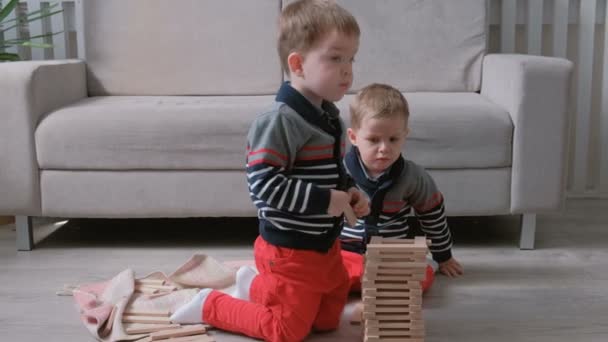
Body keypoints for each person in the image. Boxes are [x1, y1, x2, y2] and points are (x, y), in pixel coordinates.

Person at [171, 1, 368, 341]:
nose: (348, 70)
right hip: (290, 249)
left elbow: (332, 171)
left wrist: (349, 192)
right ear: (298, 64)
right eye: (335, 58)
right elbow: (263, 186)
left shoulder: (330, 116)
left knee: (327, 320)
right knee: (287, 331)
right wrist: (326, 200)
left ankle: (259, 287)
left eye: (351, 58)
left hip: (324, 245)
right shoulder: (279, 121)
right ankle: (210, 305)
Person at [339, 83, 464, 294]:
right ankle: (361, 284)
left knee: (419, 279)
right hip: (346, 251)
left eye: (393, 139)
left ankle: (372, 286)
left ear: (405, 135)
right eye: (373, 140)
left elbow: (433, 216)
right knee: (328, 276)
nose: (384, 148)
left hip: (392, 254)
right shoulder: (339, 172)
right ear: (353, 137)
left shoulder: (414, 177)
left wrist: (443, 256)